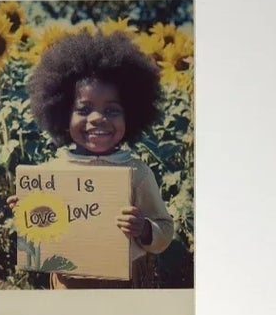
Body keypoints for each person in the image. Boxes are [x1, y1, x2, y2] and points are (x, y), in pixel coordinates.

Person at [24, 29, 175, 287]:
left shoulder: (137, 173)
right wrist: (27, 210)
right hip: (67, 283)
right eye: (83, 109)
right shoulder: (51, 173)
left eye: (112, 110)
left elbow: (165, 229)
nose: (97, 118)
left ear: (132, 115)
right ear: (61, 113)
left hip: (124, 283)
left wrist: (145, 228)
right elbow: (41, 230)